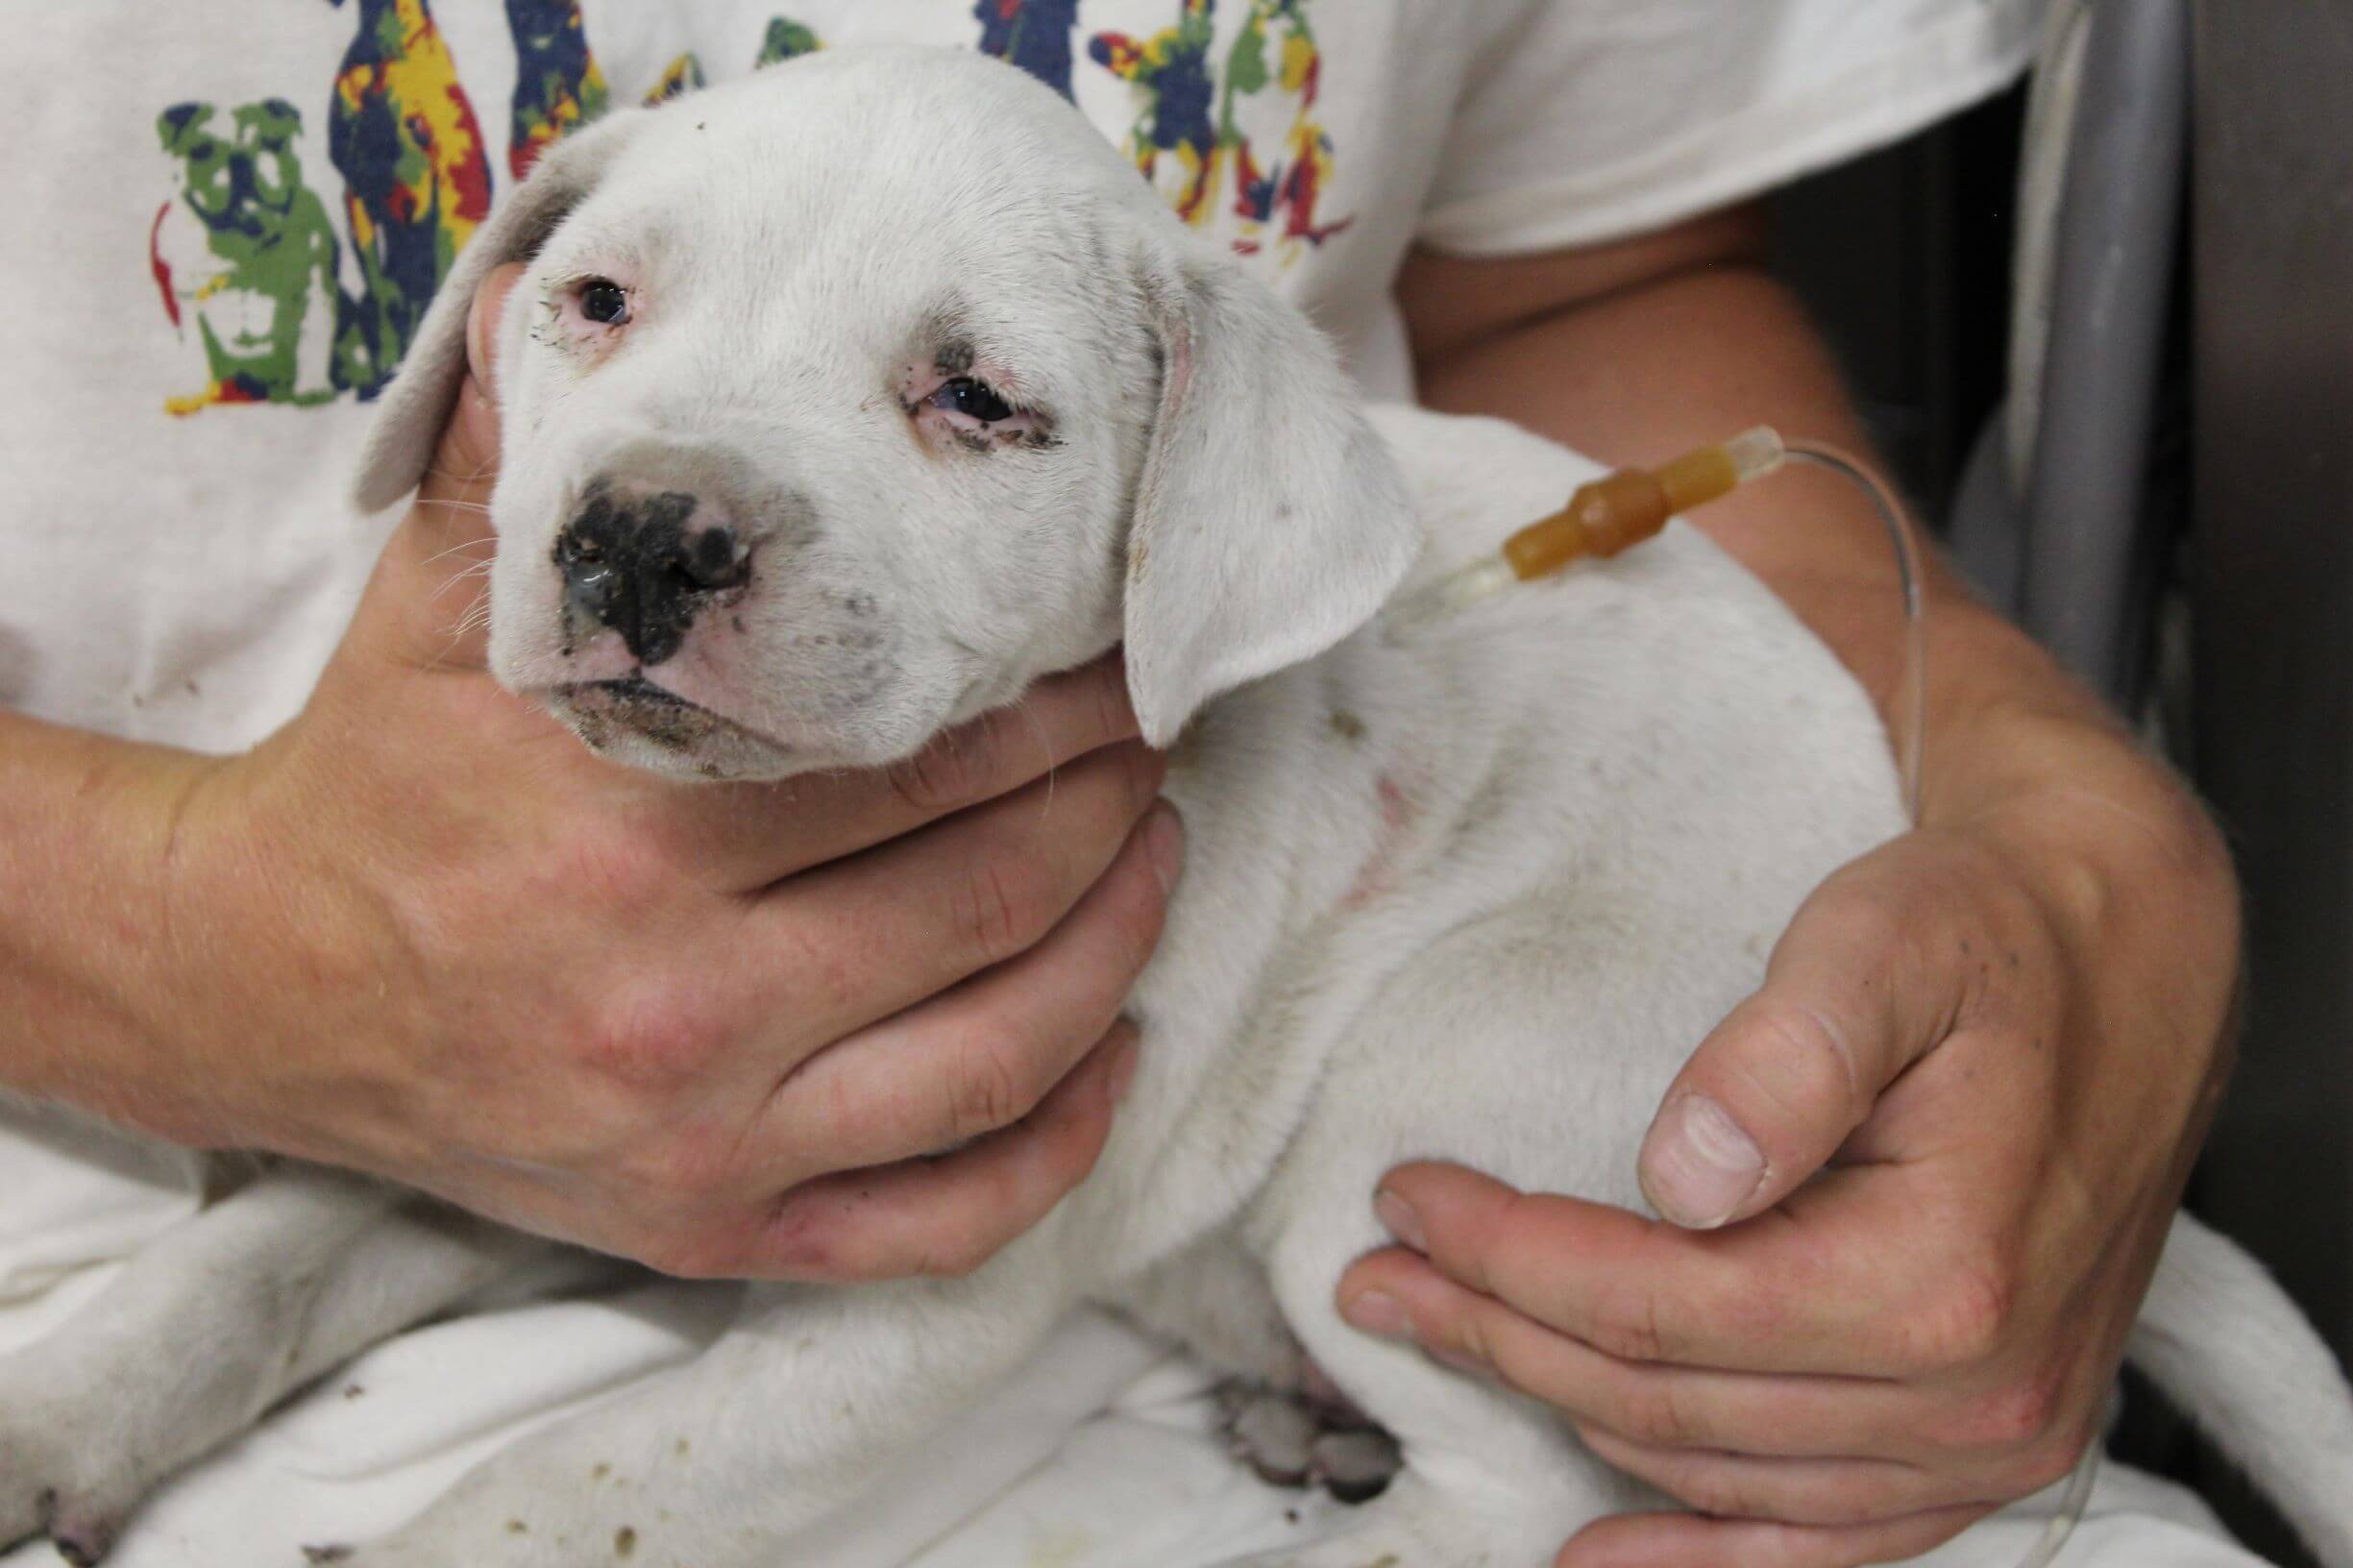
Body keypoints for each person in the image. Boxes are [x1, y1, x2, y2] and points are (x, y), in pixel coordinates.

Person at [0, 4, 2244, 1566]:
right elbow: (462, 1130)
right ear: (489, 303)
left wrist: (2068, 813)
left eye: (970, 399)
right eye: (600, 310)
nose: (656, 508)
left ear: (1210, 496)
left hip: (1455, 1264)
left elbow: (1610, 271)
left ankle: (1482, 1497)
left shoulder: (1246, 487)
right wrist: (200, 932)